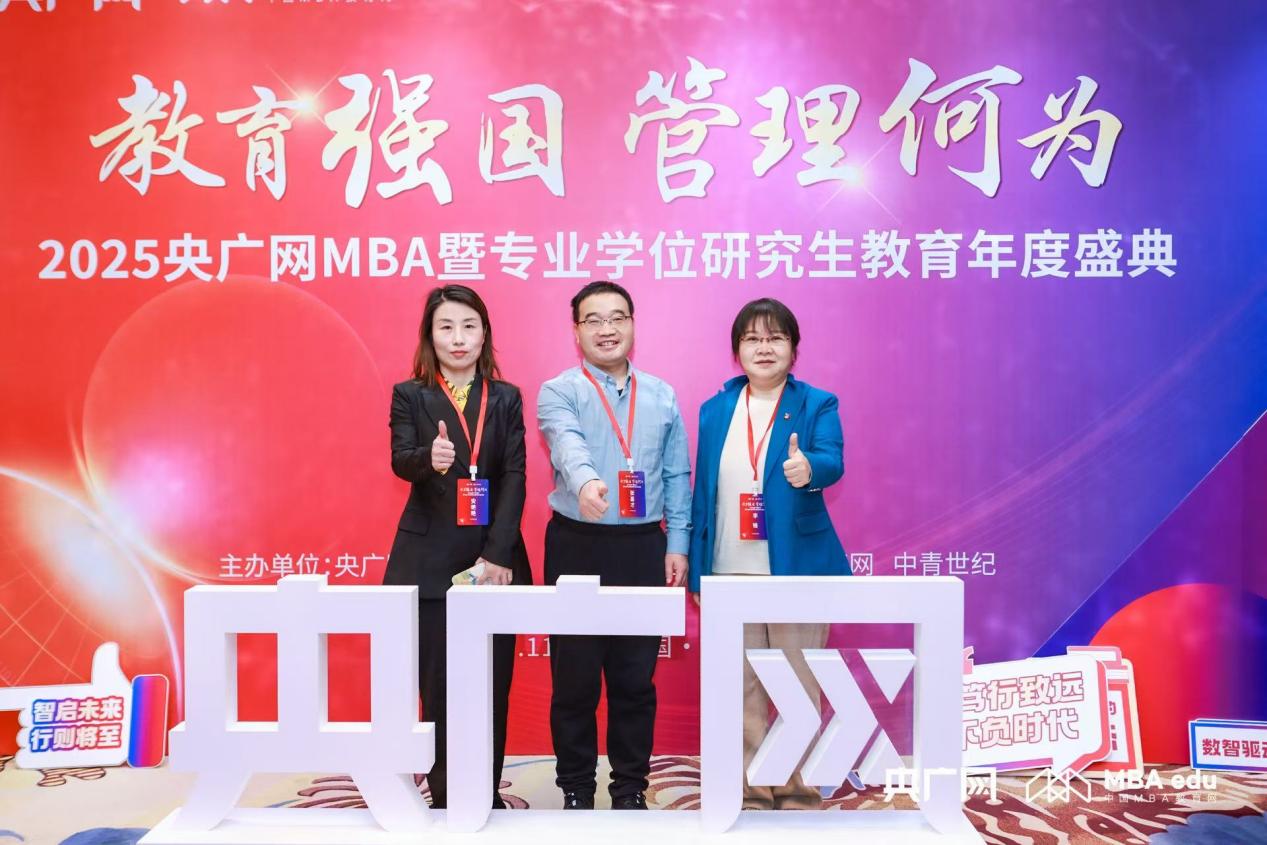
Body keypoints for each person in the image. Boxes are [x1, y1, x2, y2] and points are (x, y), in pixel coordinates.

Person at [688, 297, 848, 811]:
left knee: (799, 684)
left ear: (793, 349)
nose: (764, 348)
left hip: (796, 567)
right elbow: (703, 492)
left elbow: (832, 459)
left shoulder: (817, 403)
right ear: (737, 350)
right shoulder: (715, 410)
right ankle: (751, 793)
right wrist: (698, 568)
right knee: (742, 688)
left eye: (775, 338)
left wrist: (810, 468)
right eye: (752, 339)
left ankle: (797, 793)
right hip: (728, 568)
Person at [537, 280, 691, 810]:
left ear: (632, 324)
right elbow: (566, 443)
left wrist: (678, 543)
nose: (607, 329)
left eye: (617, 317)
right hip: (577, 545)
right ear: (576, 330)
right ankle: (576, 788)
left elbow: (676, 474)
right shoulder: (560, 391)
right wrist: (586, 483)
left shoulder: (662, 395)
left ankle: (629, 789)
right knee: (574, 680)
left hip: (642, 547)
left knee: (635, 681)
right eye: (594, 320)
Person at [384, 284, 533, 810]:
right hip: (429, 562)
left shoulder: (506, 397)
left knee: (491, 685)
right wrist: (429, 459)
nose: (458, 338)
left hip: (493, 561)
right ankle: (447, 798)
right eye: (446, 327)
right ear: (430, 335)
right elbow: (401, 459)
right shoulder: (410, 394)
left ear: (484, 333)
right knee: (439, 687)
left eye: (469, 326)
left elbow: (514, 475)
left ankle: (484, 795)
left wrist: (498, 554)